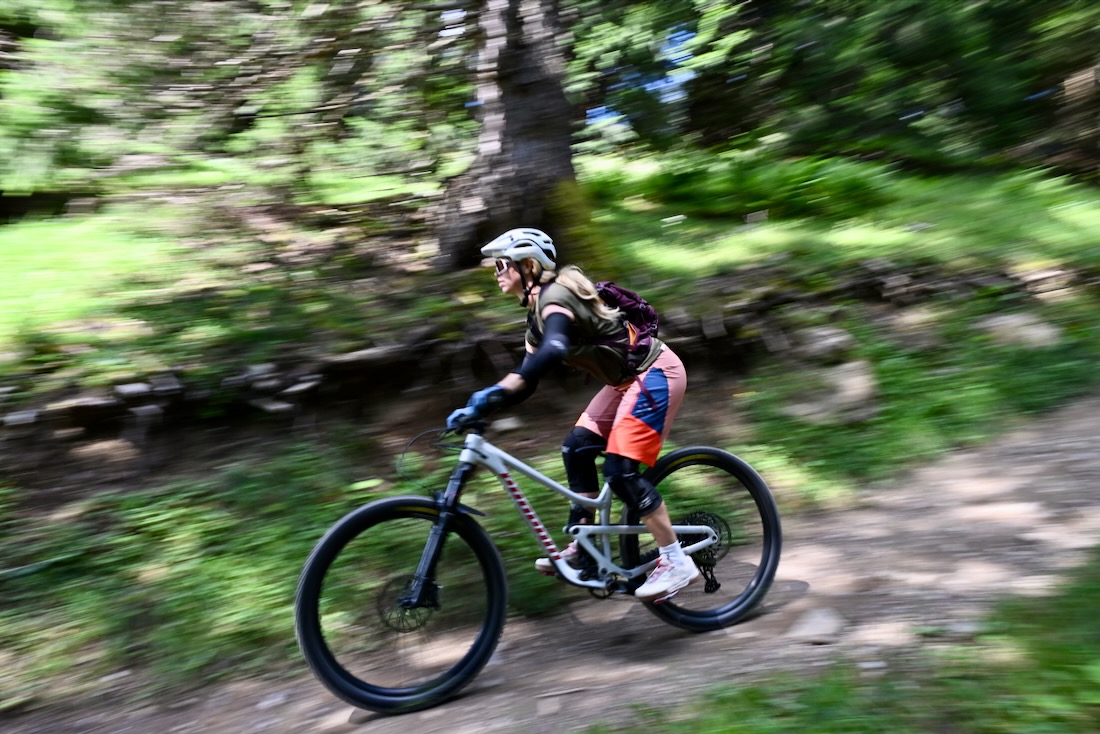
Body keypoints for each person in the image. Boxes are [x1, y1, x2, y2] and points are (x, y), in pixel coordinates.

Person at [446, 227, 698, 604]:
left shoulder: (557, 295)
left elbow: (556, 347)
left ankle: (676, 560)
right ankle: (586, 553)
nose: (496, 272)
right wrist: (484, 404)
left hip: (656, 373)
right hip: (625, 384)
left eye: (502, 264)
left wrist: (493, 392)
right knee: (577, 446)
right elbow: (528, 381)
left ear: (529, 265)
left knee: (620, 470)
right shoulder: (536, 317)